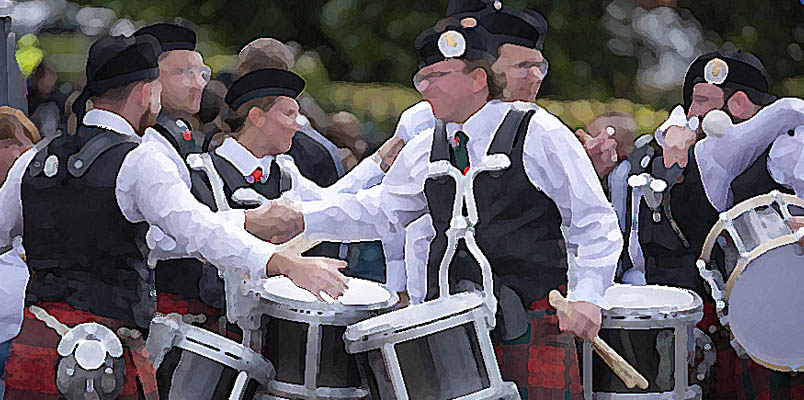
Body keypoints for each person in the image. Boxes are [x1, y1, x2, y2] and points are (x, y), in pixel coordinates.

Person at [0, 34, 346, 399]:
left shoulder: (35, 159)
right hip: (107, 358)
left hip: (38, 347)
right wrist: (282, 263)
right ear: (143, 93)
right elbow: (197, 229)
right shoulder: (140, 160)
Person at [292, 18, 621, 399]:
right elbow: (381, 211)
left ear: (478, 79)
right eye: (422, 77)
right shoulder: (425, 146)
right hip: (449, 332)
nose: (424, 87)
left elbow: (592, 219)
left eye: (438, 76)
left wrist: (588, 296)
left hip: (528, 322)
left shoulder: (539, 132)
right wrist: (301, 218)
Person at [650, 50, 804, 400]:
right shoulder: (708, 155)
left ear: (738, 104)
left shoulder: (791, 147)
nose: (692, 112)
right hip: (748, 326)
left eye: (702, 101)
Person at [0, 107, 40, 399]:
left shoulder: (42, 200)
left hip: (28, 336)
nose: (20, 154)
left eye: (27, 145)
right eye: (9, 144)